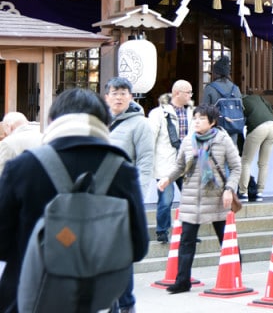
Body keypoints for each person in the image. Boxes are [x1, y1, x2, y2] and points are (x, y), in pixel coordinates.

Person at [0, 88, 149, 313]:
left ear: (53, 121)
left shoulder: (22, 167)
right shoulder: (122, 171)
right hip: (96, 301)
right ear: (105, 122)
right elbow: (138, 248)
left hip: (27, 298)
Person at [156, 104, 241, 294]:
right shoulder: (188, 141)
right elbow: (179, 166)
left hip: (217, 198)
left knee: (226, 239)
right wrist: (167, 179)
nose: (197, 122)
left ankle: (235, 273)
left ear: (212, 122)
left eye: (201, 118)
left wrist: (229, 189)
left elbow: (236, 167)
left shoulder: (222, 140)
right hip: (191, 198)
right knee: (186, 241)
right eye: (195, 118)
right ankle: (182, 281)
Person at [106, 76, 154, 313]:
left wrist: (140, 198)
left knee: (122, 256)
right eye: (114, 93)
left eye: (124, 93)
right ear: (106, 97)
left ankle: (125, 304)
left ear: (131, 96)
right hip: (101, 200)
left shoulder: (140, 124)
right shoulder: (100, 122)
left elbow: (146, 163)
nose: (119, 97)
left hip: (126, 199)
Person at [149, 79, 193, 243]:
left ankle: (189, 232)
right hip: (165, 163)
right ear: (176, 93)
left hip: (186, 163)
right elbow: (150, 138)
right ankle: (162, 231)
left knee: (191, 199)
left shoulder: (191, 113)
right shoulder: (158, 113)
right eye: (187, 92)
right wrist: (147, 162)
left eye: (190, 92)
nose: (190, 95)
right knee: (166, 200)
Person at [239, 89, 273, 201]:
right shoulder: (258, 97)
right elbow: (270, 109)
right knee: (263, 163)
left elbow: (239, 120)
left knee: (246, 161)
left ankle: (243, 192)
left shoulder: (240, 102)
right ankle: (260, 192)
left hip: (258, 127)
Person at [202, 55, 243, 144]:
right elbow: (241, 108)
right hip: (233, 127)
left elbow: (203, 110)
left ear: (216, 73)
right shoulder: (236, 88)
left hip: (216, 129)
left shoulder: (210, 88)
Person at [0, 112, 41, 177]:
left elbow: (2, 175)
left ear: (9, 127)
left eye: (5, 133)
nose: (5, 135)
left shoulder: (7, 142)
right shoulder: (44, 136)